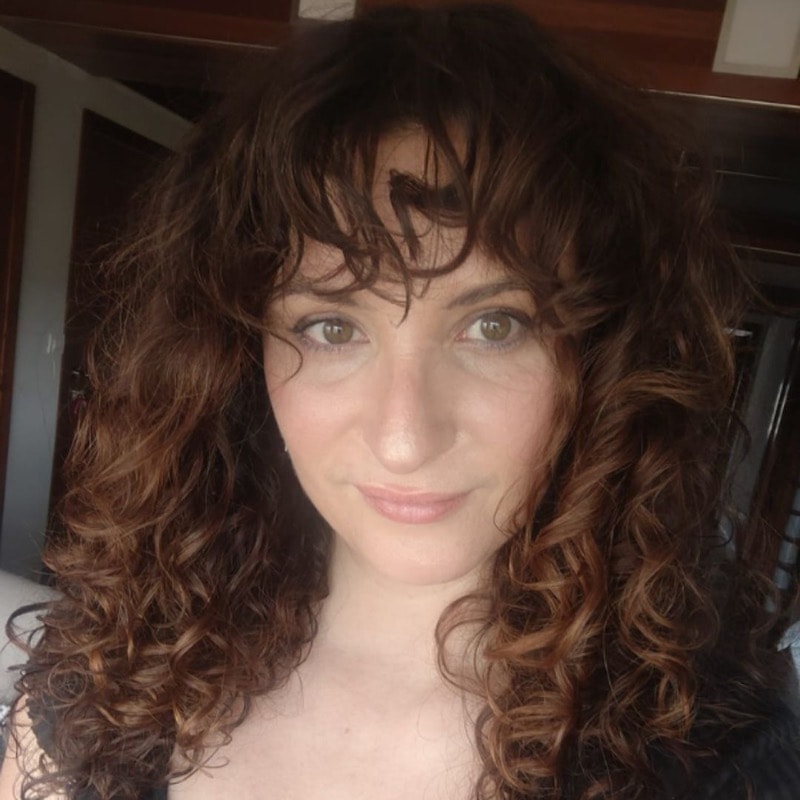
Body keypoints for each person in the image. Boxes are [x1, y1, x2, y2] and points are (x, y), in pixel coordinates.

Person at [1, 4, 799, 798]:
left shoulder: (719, 761)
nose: (404, 438)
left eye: (494, 326)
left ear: (604, 361)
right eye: (331, 328)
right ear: (237, 354)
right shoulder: (101, 681)